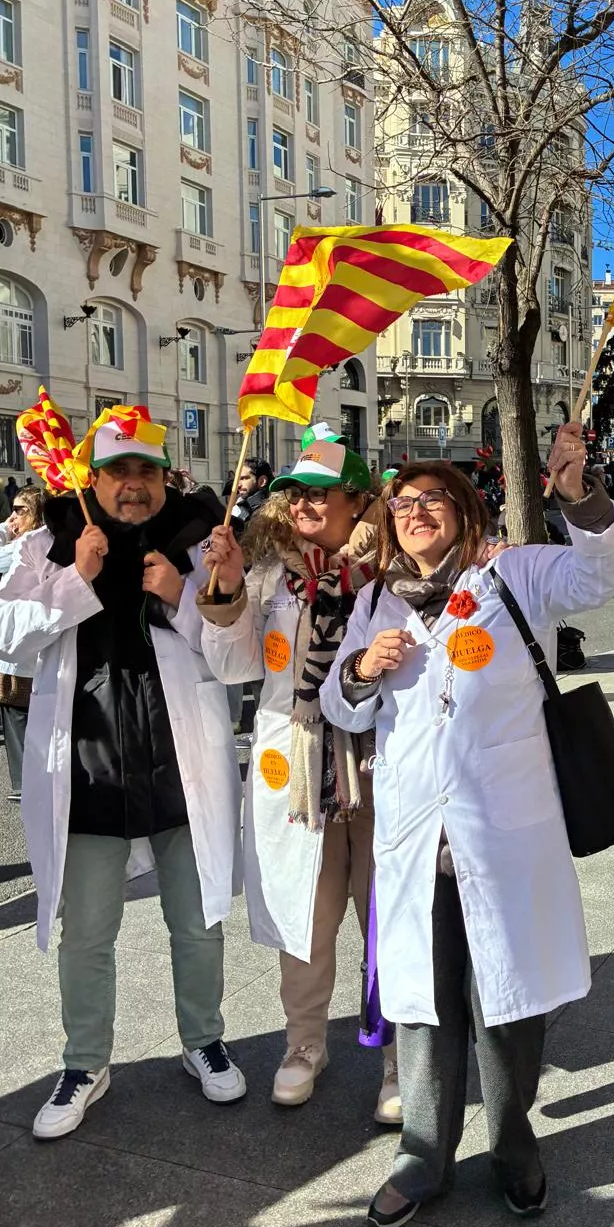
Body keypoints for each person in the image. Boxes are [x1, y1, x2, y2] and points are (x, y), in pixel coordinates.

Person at [321, 421, 614, 1227]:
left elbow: (604, 572)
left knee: (508, 996)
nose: (416, 510)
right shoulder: (373, 601)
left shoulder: (512, 578)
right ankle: (423, 1151)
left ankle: (513, 1140)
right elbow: (334, 703)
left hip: (503, 831)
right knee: (422, 1001)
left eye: (433, 499)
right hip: (417, 839)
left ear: (463, 511)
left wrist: (579, 496)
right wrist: (360, 670)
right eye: (403, 502)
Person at [0, 406, 245, 1139]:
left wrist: (183, 596)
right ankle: (84, 1063)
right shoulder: (52, 542)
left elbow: (237, 659)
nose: (132, 486)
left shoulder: (203, 541)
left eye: (145, 471)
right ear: (92, 478)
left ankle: (203, 1040)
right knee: (87, 932)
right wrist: (77, 578)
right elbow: (4, 640)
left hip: (178, 768)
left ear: (164, 476)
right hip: (89, 772)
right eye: (117, 472)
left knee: (196, 925)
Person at [198, 426, 400, 1121]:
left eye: (322, 492)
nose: (306, 503)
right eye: (296, 492)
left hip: (380, 765)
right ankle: (305, 1043)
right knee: (306, 917)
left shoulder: (392, 572)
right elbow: (232, 667)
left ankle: (400, 1055)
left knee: (388, 913)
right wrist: (224, 591)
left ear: (356, 500)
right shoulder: (269, 571)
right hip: (299, 771)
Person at [0, 486, 44, 801]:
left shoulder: (27, 543)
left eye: (21, 510)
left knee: (20, 714)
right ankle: (27, 781)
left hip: (22, 649)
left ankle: (28, 783)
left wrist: (2, 527)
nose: (14, 516)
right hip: (21, 647)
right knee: (18, 714)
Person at [230, 457, 273, 534]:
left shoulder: (275, 511)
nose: (238, 485)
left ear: (262, 481)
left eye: (243, 478)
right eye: (236, 480)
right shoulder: (238, 508)